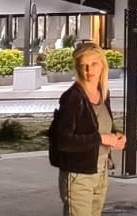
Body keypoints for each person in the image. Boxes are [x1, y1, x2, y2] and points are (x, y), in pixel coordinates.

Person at [50, 43, 125, 216]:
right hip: (79, 175)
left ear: (103, 65)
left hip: (101, 172)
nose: (88, 69)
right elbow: (64, 141)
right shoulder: (72, 98)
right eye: (83, 65)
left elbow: (99, 124)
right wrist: (102, 139)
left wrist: (116, 135)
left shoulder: (103, 93)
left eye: (94, 64)